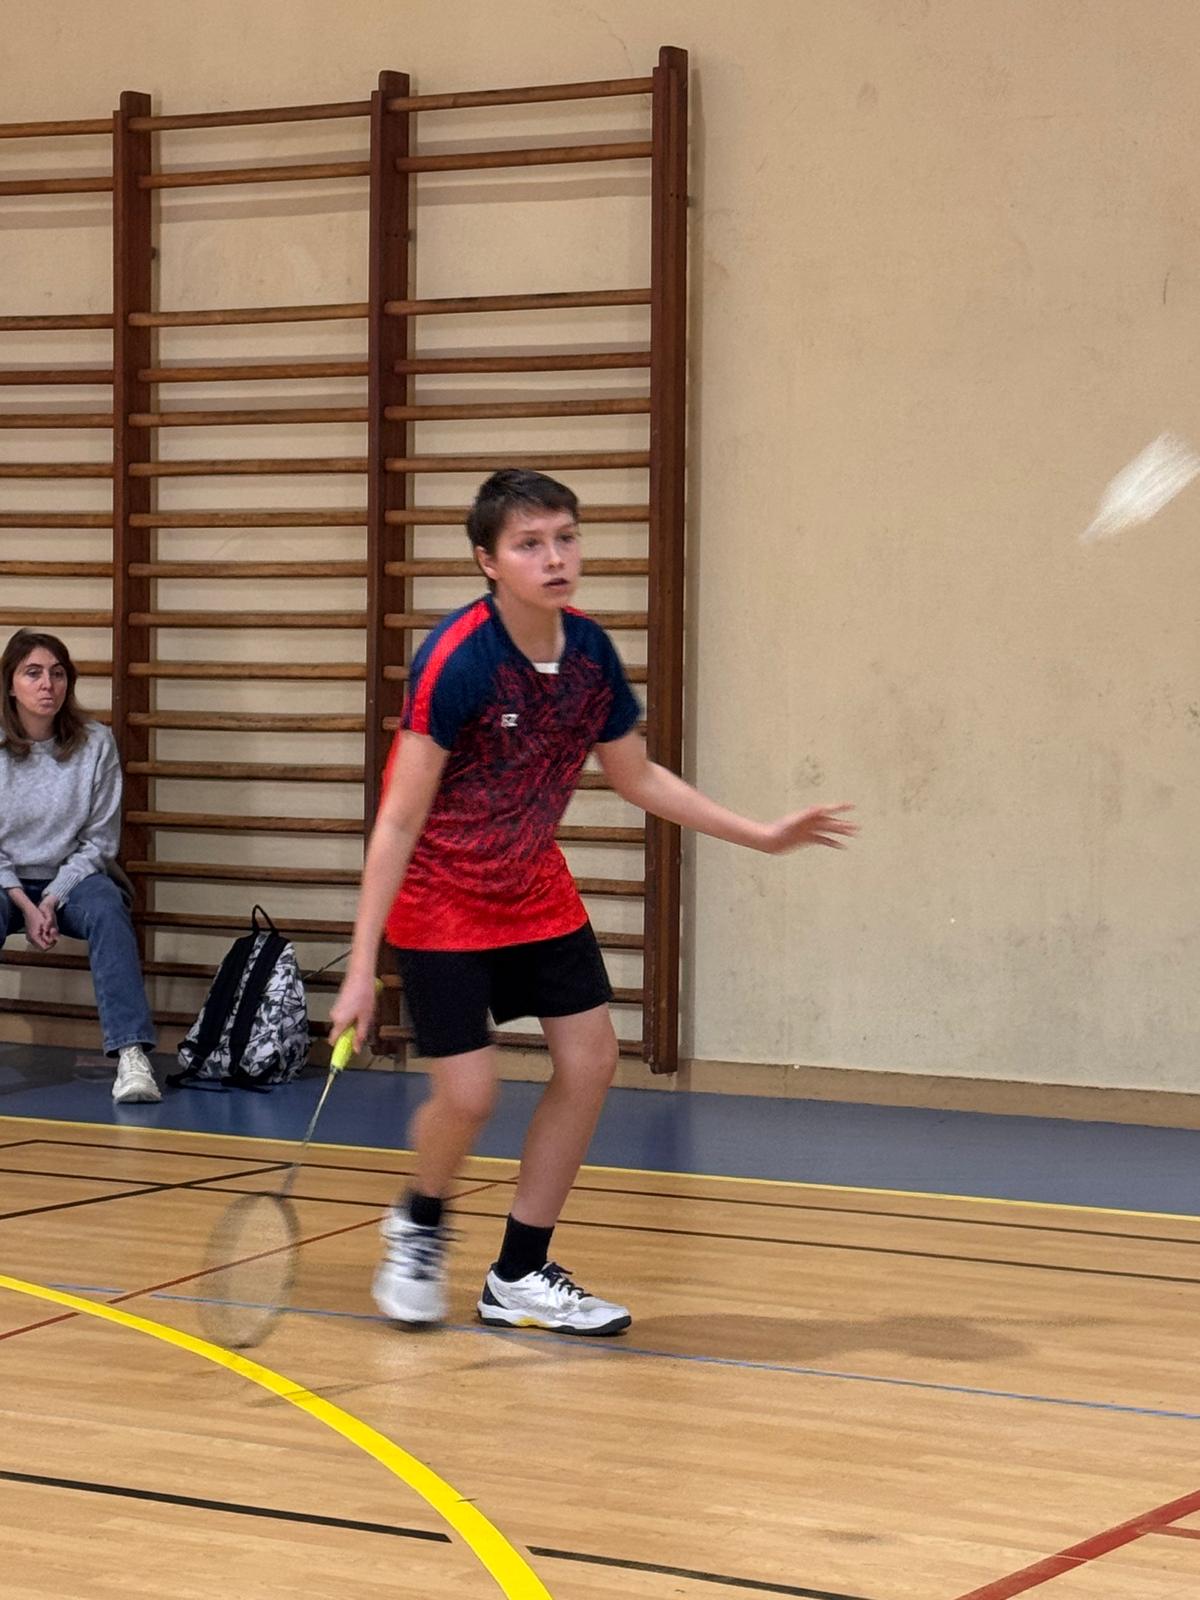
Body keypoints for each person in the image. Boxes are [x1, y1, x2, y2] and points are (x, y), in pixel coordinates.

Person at [329, 469, 856, 1336]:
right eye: (529, 544)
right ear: (488, 562)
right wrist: (359, 970)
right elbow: (397, 820)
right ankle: (419, 1220)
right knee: (470, 1097)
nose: (555, 558)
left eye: (565, 538)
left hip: (534, 888)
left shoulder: (590, 655)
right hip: (444, 901)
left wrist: (760, 834)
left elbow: (636, 776)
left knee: (592, 1062)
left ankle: (519, 1272)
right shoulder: (457, 661)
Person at [0, 629, 160, 1104]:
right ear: (10, 685)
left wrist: (51, 898)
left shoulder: (95, 743)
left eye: (57, 673)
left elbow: (99, 841)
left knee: (108, 910)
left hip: (73, 877)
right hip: (6, 881)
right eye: (33, 673)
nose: (47, 684)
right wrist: (24, 904)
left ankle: (131, 1054)